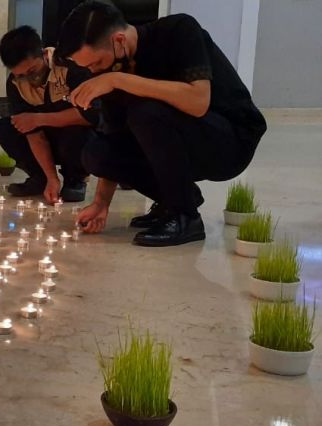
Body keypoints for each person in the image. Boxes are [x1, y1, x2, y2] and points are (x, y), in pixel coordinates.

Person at [58, 1, 266, 247]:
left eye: (96, 63)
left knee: (145, 112)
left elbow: (198, 101)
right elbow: (114, 137)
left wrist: (118, 79)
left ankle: (186, 217)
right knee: (98, 154)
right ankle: (177, 199)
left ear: (119, 41)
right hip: (174, 137)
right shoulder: (112, 73)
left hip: (230, 140)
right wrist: (101, 204)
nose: (94, 71)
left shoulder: (178, 30)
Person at [0, 25, 98, 203]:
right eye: (21, 75)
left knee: (75, 129)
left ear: (42, 54)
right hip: (47, 137)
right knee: (6, 128)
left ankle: (75, 178)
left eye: (32, 71)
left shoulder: (70, 67)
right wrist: (51, 178)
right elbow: (31, 131)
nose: (29, 78)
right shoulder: (15, 83)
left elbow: (91, 115)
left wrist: (39, 119)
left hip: (75, 137)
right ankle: (39, 177)